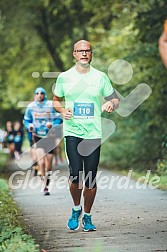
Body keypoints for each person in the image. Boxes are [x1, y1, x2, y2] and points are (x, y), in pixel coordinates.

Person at [53, 40, 119, 231]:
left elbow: (114, 99)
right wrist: (62, 110)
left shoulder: (100, 77)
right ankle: (76, 208)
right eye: (80, 51)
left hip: (93, 134)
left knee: (90, 178)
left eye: (87, 51)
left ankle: (87, 216)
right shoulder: (64, 77)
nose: (84, 53)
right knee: (75, 176)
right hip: (73, 132)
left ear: (91, 54)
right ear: (74, 54)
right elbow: (56, 101)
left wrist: (111, 104)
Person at [24, 87, 63, 195]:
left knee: (49, 165)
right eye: (37, 93)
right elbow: (26, 120)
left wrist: (53, 125)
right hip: (37, 136)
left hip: (50, 137)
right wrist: (30, 126)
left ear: (44, 94)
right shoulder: (30, 107)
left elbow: (59, 118)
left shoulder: (50, 105)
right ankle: (44, 185)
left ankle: (48, 180)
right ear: (35, 95)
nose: (39, 95)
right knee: (40, 161)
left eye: (42, 93)